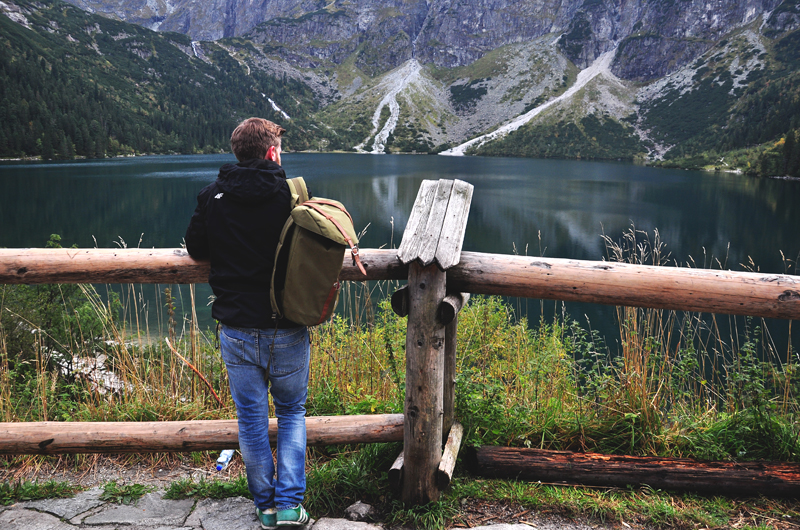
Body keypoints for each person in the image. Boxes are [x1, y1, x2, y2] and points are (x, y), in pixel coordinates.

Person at [184, 118, 311, 528]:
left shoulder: (213, 194)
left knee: (251, 419)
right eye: (280, 150)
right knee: (291, 411)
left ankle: (266, 508)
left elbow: (195, 248)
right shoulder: (292, 195)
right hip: (286, 325)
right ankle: (290, 506)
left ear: (238, 152)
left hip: (237, 327)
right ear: (272, 152)